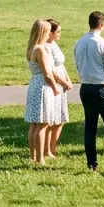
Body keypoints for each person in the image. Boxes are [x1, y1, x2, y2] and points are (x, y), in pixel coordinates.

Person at [73, 11, 104, 172]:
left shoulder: (79, 43)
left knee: (90, 126)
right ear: (101, 25)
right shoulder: (103, 44)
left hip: (86, 86)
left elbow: (78, 64)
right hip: (101, 86)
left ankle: (91, 162)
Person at [23, 20, 65, 165]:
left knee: (34, 124)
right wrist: (55, 88)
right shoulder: (41, 49)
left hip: (34, 84)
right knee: (43, 123)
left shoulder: (31, 48)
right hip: (43, 86)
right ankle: (40, 157)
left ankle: (33, 155)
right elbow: (47, 73)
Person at [44, 19, 73, 158]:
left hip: (61, 86)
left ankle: (52, 148)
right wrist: (63, 82)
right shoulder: (45, 47)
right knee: (51, 120)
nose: (60, 34)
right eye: (58, 31)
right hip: (54, 86)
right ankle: (47, 150)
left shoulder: (54, 44)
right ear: (50, 33)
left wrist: (68, 78)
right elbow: (51, 70)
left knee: (60, 120)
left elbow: (60, 65)